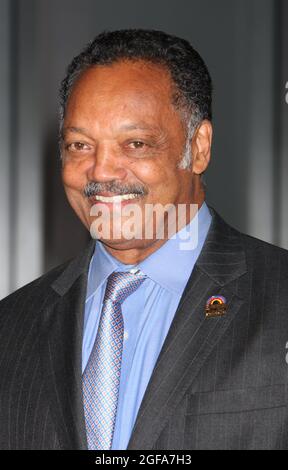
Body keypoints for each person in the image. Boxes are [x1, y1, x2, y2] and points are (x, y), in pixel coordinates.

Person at [0, 29, 287, 451]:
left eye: (134, 144)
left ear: (199, 147)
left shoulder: (280, 295)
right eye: (80, 145)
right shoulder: (12, 326)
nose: (101, 172)